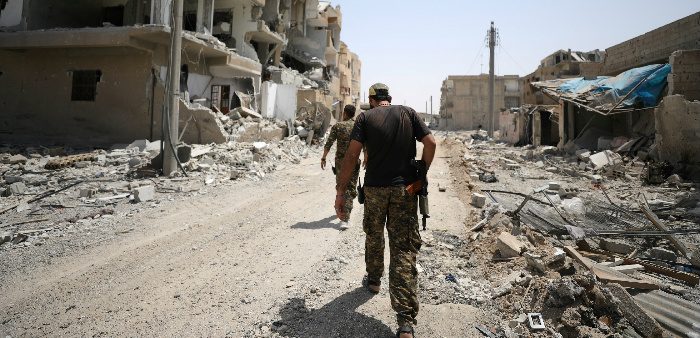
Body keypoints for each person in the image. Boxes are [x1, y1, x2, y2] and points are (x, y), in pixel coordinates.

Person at [335, 83, 436, 338]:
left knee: (374, 235)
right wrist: (421, 176)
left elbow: (351, 156)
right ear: (389, 98)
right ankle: (404, 323)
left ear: (371, 99)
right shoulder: (408, 113)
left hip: (375, 191)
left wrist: (340, 193)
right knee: (403, 250)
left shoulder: (365, 117)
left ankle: (374, 280)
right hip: (405, 190)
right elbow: (431, 143)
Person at [322, 104, 360, 230]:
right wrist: (367, 157)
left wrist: (323, 157)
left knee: (342, 186)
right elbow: (365, 143)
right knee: (350, 187)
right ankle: (343, 212)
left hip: (341, 163)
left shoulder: (338, 126)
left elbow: (329, 143)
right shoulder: (358, 126)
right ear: (353, 114)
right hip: (354, 161)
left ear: (344, 113)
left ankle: (344, 217)